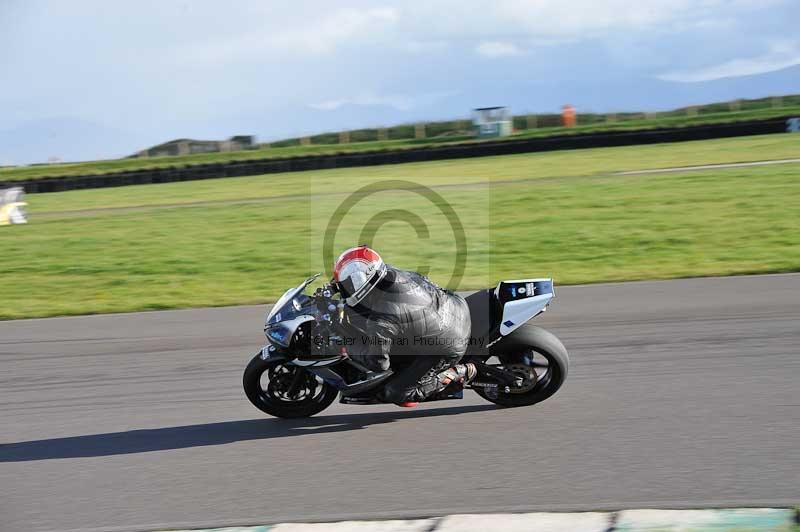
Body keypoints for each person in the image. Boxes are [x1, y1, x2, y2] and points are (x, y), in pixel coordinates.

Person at [333, 245, 476, 407]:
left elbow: (379, 364)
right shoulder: (388, 273)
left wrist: (348, 347)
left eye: (347, 284)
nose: (345, 289)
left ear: (361, 281)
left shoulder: (383, 319)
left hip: (449, 344)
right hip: (454, 305)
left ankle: (457, 373)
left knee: (396, 392)